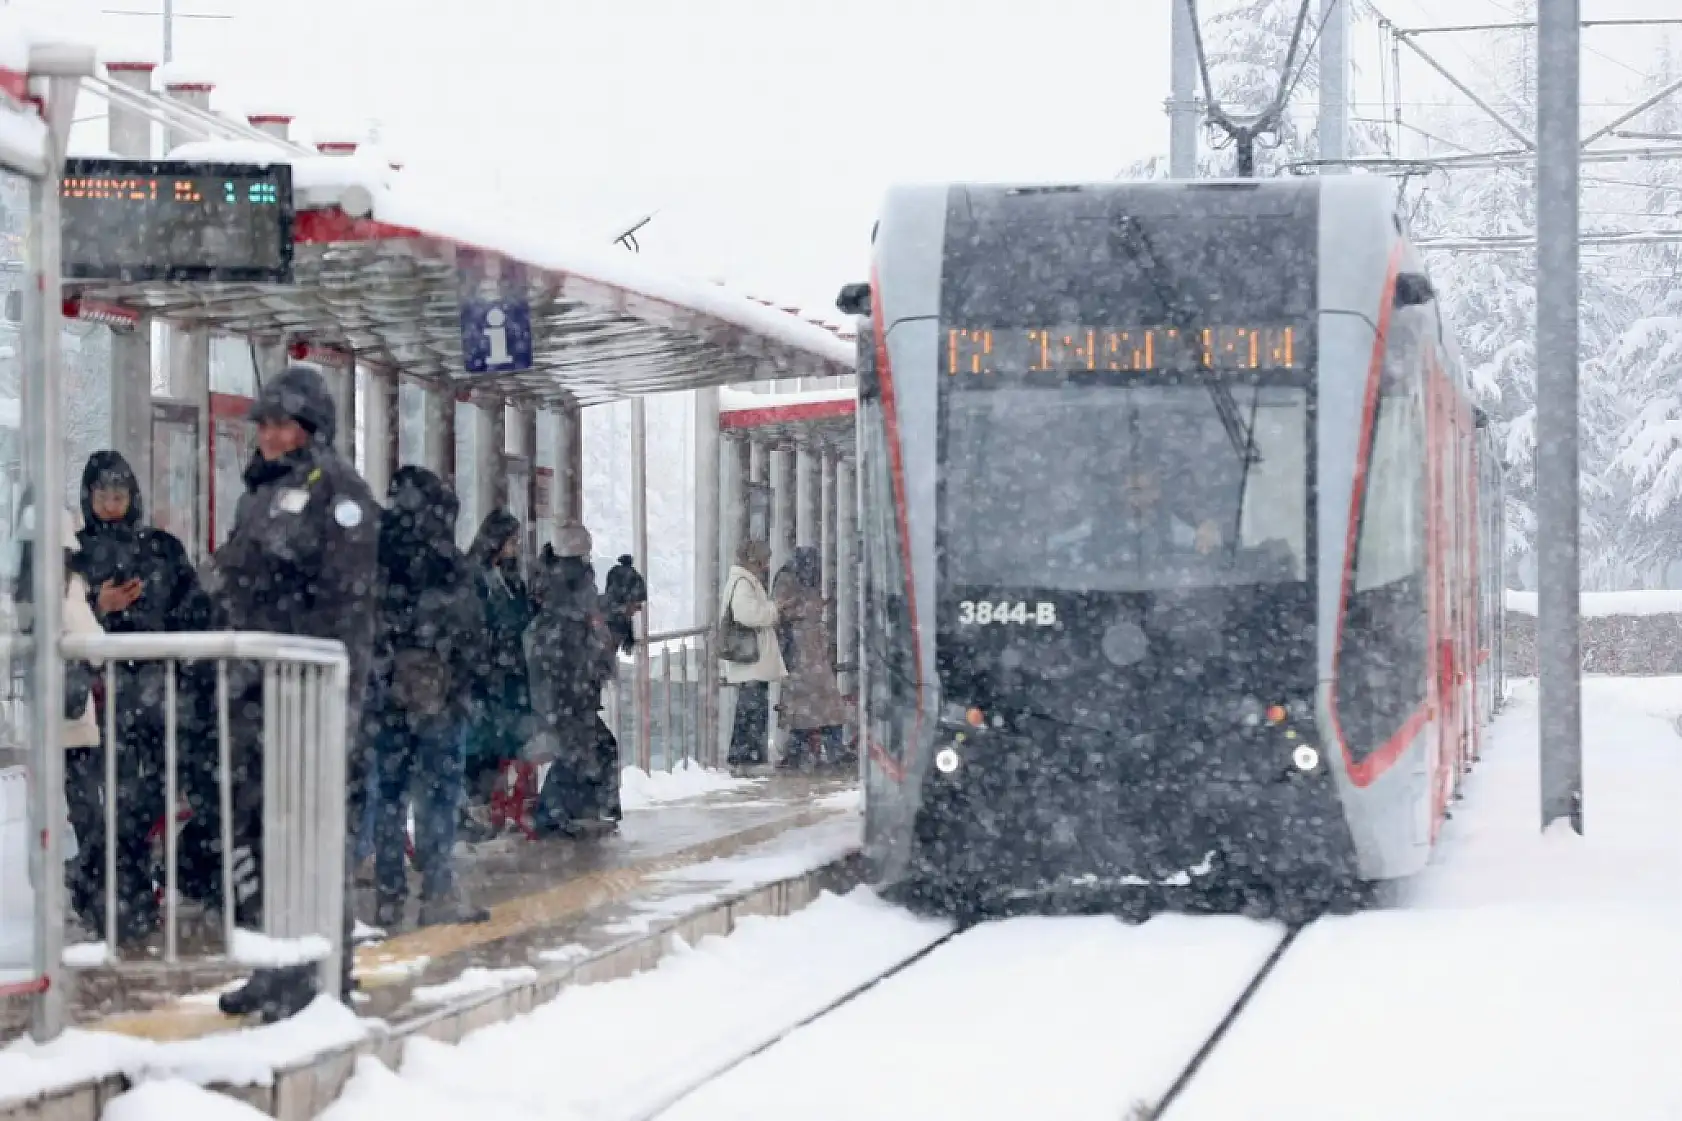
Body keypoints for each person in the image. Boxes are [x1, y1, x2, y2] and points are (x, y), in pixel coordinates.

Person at [205, 365, 380, 1022]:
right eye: (266, 424)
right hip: (256, 690)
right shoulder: (263, 493)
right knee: (262, 831)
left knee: (311, 833)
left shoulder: (339, 492)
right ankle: (276, 962)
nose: (272, 435)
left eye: (284, 423)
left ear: (312, 427)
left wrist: (330, 682)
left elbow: (345, 601)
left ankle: (325, 969)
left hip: (311, 691)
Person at [74, 451, 216, 940]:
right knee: (111, 803)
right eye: (102, 495)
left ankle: (130, 888)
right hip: (99, 701)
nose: (111, 504)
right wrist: (99, 604)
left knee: (153, 794)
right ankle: (119, 897)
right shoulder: (73, 554)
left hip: (162, 697)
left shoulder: (161, 549)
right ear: (87, 499)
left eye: (120, 494)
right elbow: (53, 614)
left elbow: (193, 610)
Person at [370, 467, 489, 929]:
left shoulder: (377, 557)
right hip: (440, 694)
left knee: (389, 792)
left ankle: (388, 888)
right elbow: (471, 630)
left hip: (387, 696)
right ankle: (436, 886)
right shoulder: (448, 562)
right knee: (438, 793)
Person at [525, 526, 620, 834]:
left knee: (590, 748)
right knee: (583, 750)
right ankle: (557, 814)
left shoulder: (554, 581)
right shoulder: (570, 583)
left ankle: (579, 810)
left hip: (567, 686)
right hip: (569, 687)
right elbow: (574, 629)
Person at [464, 510, 534, 838]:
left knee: (500, 745)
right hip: (489, 674)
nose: (516, 547)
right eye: (512, 540)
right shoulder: (478, 577)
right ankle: (476, 808)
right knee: (483, 745)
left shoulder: (506, 578)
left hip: (504, 673)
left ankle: (490, 809)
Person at [771, 546, 847, 770]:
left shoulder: (794, 578)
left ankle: (803, 753)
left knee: (811, 708)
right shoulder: (789, 580)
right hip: (801, 650)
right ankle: (825, 751)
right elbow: (783, 609)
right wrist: (812, 608)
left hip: (808, 650)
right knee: (815, 706)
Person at [720, 539, 784, 767]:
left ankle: (747, 756)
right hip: (750, 659)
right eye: (763, 561)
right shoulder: (744, 584)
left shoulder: (743, 581)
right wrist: (774, 609)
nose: (766, 566)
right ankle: (747, 757)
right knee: (752, 711)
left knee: (751, 709)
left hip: (750, 659)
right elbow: (748, 615)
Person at [601, 555, 646, 656]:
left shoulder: (613, 572)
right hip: (618, 618)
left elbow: (608, 592)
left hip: (611, 616)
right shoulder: (635, 576)